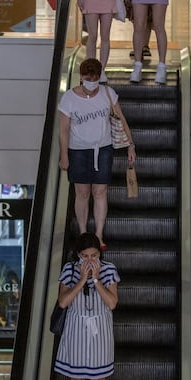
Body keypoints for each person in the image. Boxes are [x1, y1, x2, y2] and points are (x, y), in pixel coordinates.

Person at [58, 58, 136, 250]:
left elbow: (121, 118)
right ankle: (84, 233)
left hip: (103, 148)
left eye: (94, 79)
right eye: (87, 78)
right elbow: (64, 129)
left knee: (100, 191)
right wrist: (64, 155)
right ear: (81, 77)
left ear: (99, 77)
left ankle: (99, 234)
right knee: (82, 193)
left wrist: (131, 145)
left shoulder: (108, 94)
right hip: (78, 150)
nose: (91, 83)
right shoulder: (69, 98)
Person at [54, 232, 119, 380]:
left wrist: (96, 280)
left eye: (93, 255)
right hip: (76, 329)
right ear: (78, 254)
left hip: (100, 330)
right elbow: (63, 302)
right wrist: (82, 280)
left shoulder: (109, 269)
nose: (90, 260)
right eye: (85, 255)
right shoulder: (69, 270)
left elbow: (112, 303)